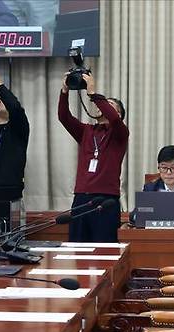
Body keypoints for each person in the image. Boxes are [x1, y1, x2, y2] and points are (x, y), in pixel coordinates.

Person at [58, 71, 128, 243]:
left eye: (108, 105)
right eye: (101, 104)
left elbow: (113, 119)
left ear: (118, 114)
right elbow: (64, 117)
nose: (100, 106)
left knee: (104, 249)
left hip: (106, 200)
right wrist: (64, 91)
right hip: (81, 197)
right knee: (77, 247)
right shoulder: (86, 131)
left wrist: (93, 93)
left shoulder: (120, 132)